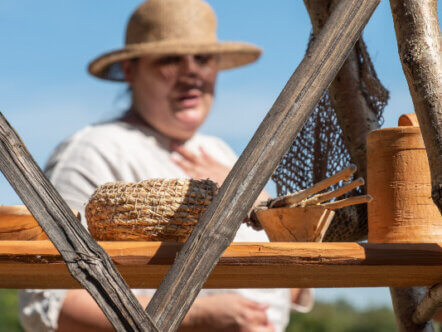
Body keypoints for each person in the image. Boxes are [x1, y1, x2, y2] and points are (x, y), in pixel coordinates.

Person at [18, 0, 313, 331]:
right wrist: (198, 315)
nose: (192, 72)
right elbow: (49, 302)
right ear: (131, 70)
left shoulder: (221, 153)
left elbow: (289, 281)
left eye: (202, 59)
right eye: (171, 59)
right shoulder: (94, 151)